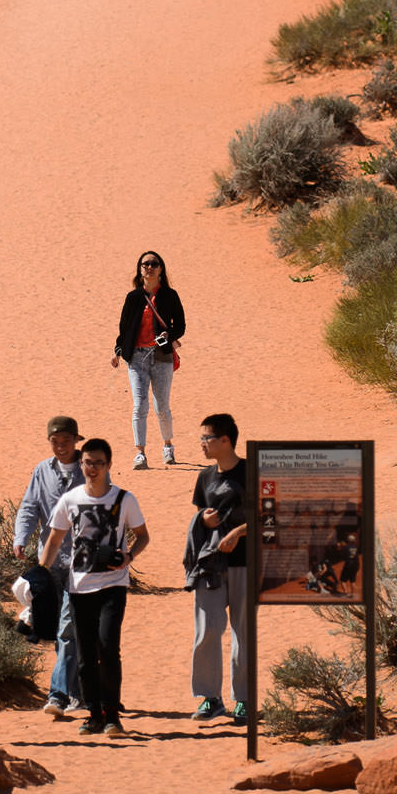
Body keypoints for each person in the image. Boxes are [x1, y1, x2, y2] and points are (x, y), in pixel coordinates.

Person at [41, 438, 150, 737]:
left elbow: (142, 535)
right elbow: (54, 540)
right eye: (87, 463)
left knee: (108, 647)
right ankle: (94, 715)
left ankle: (112, 715)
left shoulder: (125, 499)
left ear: (109, 465)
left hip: (113, 584)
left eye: (98, 463)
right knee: (87, 654)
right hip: (79, 586)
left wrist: (128, 557)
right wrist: (39, 572)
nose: (92, 469)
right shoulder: (71, 499)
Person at [14, 414, 85, 720]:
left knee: (70, 629)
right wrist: (21, 536)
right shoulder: (42, 471)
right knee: (60, 630)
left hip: (83, 564)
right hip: (50, 561)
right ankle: (76, 693)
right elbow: (30, 506)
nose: (60, 447)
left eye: (66, 441)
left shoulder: (90, 468)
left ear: (76, 441)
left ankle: (59, 693)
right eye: (55, 442)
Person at [183, 413, 250, 726]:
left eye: (206, 438)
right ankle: (211, 698)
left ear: (226, 440)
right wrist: (203, 521)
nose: (202, 444)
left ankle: (244, 700)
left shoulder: (252, 472)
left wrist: (238, 533)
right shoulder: (205, 477)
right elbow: (201, 516)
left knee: (243, 633)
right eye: (201, 439)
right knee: (207, 631)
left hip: (245, 564)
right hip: (210, 566)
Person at [111, 250, 187, 469]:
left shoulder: (170, 296)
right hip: (136, 357)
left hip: (161, 356)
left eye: (154, 264)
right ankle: (140, 453)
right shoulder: (133, 297)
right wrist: (117, 350)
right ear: (140, 269)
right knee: (139, 404)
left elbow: (180, 325)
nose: (149, 267)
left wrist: (168, 336)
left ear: (161, 269)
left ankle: (167, 447)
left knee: (162, 405)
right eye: (145, 264)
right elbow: (124, 328)